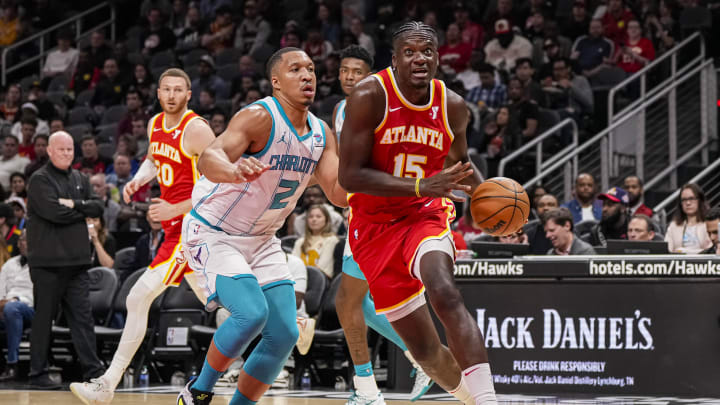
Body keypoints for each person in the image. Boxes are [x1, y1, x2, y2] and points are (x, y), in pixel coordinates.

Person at [177, 47, 346, 405]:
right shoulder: (259, 116)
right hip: (215, 231)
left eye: (312, 69)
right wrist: (232, 170)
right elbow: (210, 157)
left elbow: (339, 194)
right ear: (276, 81)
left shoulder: (321, 134)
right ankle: (198, 392)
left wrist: (374, 172)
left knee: (284, 333)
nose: (307, 75)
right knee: (252, 314)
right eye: (296, 69)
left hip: (263, 239)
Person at [339, 22, 497, 405]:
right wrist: (419, 184)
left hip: (424, 215)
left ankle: (491, 401)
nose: (419, 58)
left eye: (426, 51)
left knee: (444, 292)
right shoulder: (369, 96)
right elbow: (350, 175)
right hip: (374, 228)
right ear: (394, 60)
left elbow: (460, 165)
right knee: (425, 352)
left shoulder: (453, 106)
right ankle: (470, 399)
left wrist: (492, 199)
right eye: (409, 52)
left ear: (438, 58)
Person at [70, 68, 216, 404]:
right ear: (158, 92)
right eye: (166, 89)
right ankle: (291, 325)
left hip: (192, 231)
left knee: (137, 298)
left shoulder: (196, 129)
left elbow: (219, 186)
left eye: (178, 90)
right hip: (173, 232)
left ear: (189, 94)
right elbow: (154, 159)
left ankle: (107, 384)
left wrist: (174, 209)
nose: (171, 95)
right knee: (222, 301)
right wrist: (138, 179)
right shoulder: (154, 124)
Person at [333, 44, 434, 404]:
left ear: (371, 75)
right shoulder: (341, 109)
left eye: (356, 71)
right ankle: (398, 370)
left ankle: (373, 386)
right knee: (355, 303)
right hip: (360, 212)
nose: (349, 77)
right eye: (344, 70)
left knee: (349, 302)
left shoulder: (378, 105)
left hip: (382, 215)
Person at [27, 131, 105, 388]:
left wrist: (71, 203)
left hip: (77, 265)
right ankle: (37, 373)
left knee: (83, 320)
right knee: (43, 320)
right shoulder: (39, 180)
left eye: (70, 149)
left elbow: (97, 207)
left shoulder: (80, 177)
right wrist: (80, 210)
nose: (66, 154)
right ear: (49, 151)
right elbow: (52, 212)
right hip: (47, 265)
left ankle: (93, 372)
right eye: (61, 149)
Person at [0, 230, 33, 381]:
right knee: (8, 308)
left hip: (30, 308)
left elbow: (39, 296)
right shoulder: (9, 264)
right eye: (21, 240)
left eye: (26, 239)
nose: (23, 242)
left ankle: (12, 364)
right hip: (5, 306)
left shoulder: (42, 265)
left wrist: (13, 300)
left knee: (12, 308)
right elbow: (1, 290)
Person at [292, 204, 340, 278]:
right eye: (311, 217)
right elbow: (293, 266)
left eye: (318, 216)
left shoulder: (331, 240)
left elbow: (323, 268)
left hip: (320, 281)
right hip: (298, 279)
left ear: (326, 220)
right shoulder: (300, 242)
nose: (314, 219)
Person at [665, 183, 713, 254]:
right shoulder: (673, 226)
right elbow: (666, 250)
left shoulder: (710, 223)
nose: (688, 203)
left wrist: (683, 251)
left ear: (700, 200)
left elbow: (712, 250)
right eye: (684, 200)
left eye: (691, 198)